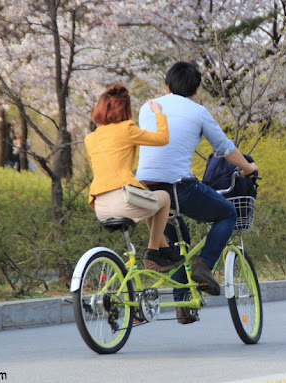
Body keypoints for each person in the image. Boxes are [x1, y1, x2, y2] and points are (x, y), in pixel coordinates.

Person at [135, 61, 259, 323]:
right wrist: (248, 167)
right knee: (226, 214)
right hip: (178, 188)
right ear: (195, 89)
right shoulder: (198, 111)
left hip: (144, 190)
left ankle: (183, 304)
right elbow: (224, 148)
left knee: (177, 244)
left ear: (167, 86)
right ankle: (204, 266)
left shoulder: (147, 108)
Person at [84, 83, 179, 272]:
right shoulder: (126, 128)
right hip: (123, 200)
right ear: (125, 108)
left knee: (147, 202)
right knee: (164, 198)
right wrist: (159, 113)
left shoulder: (91, 138)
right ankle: (152, 253)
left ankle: (166, 250)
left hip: (101, 207)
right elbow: (162, 138)